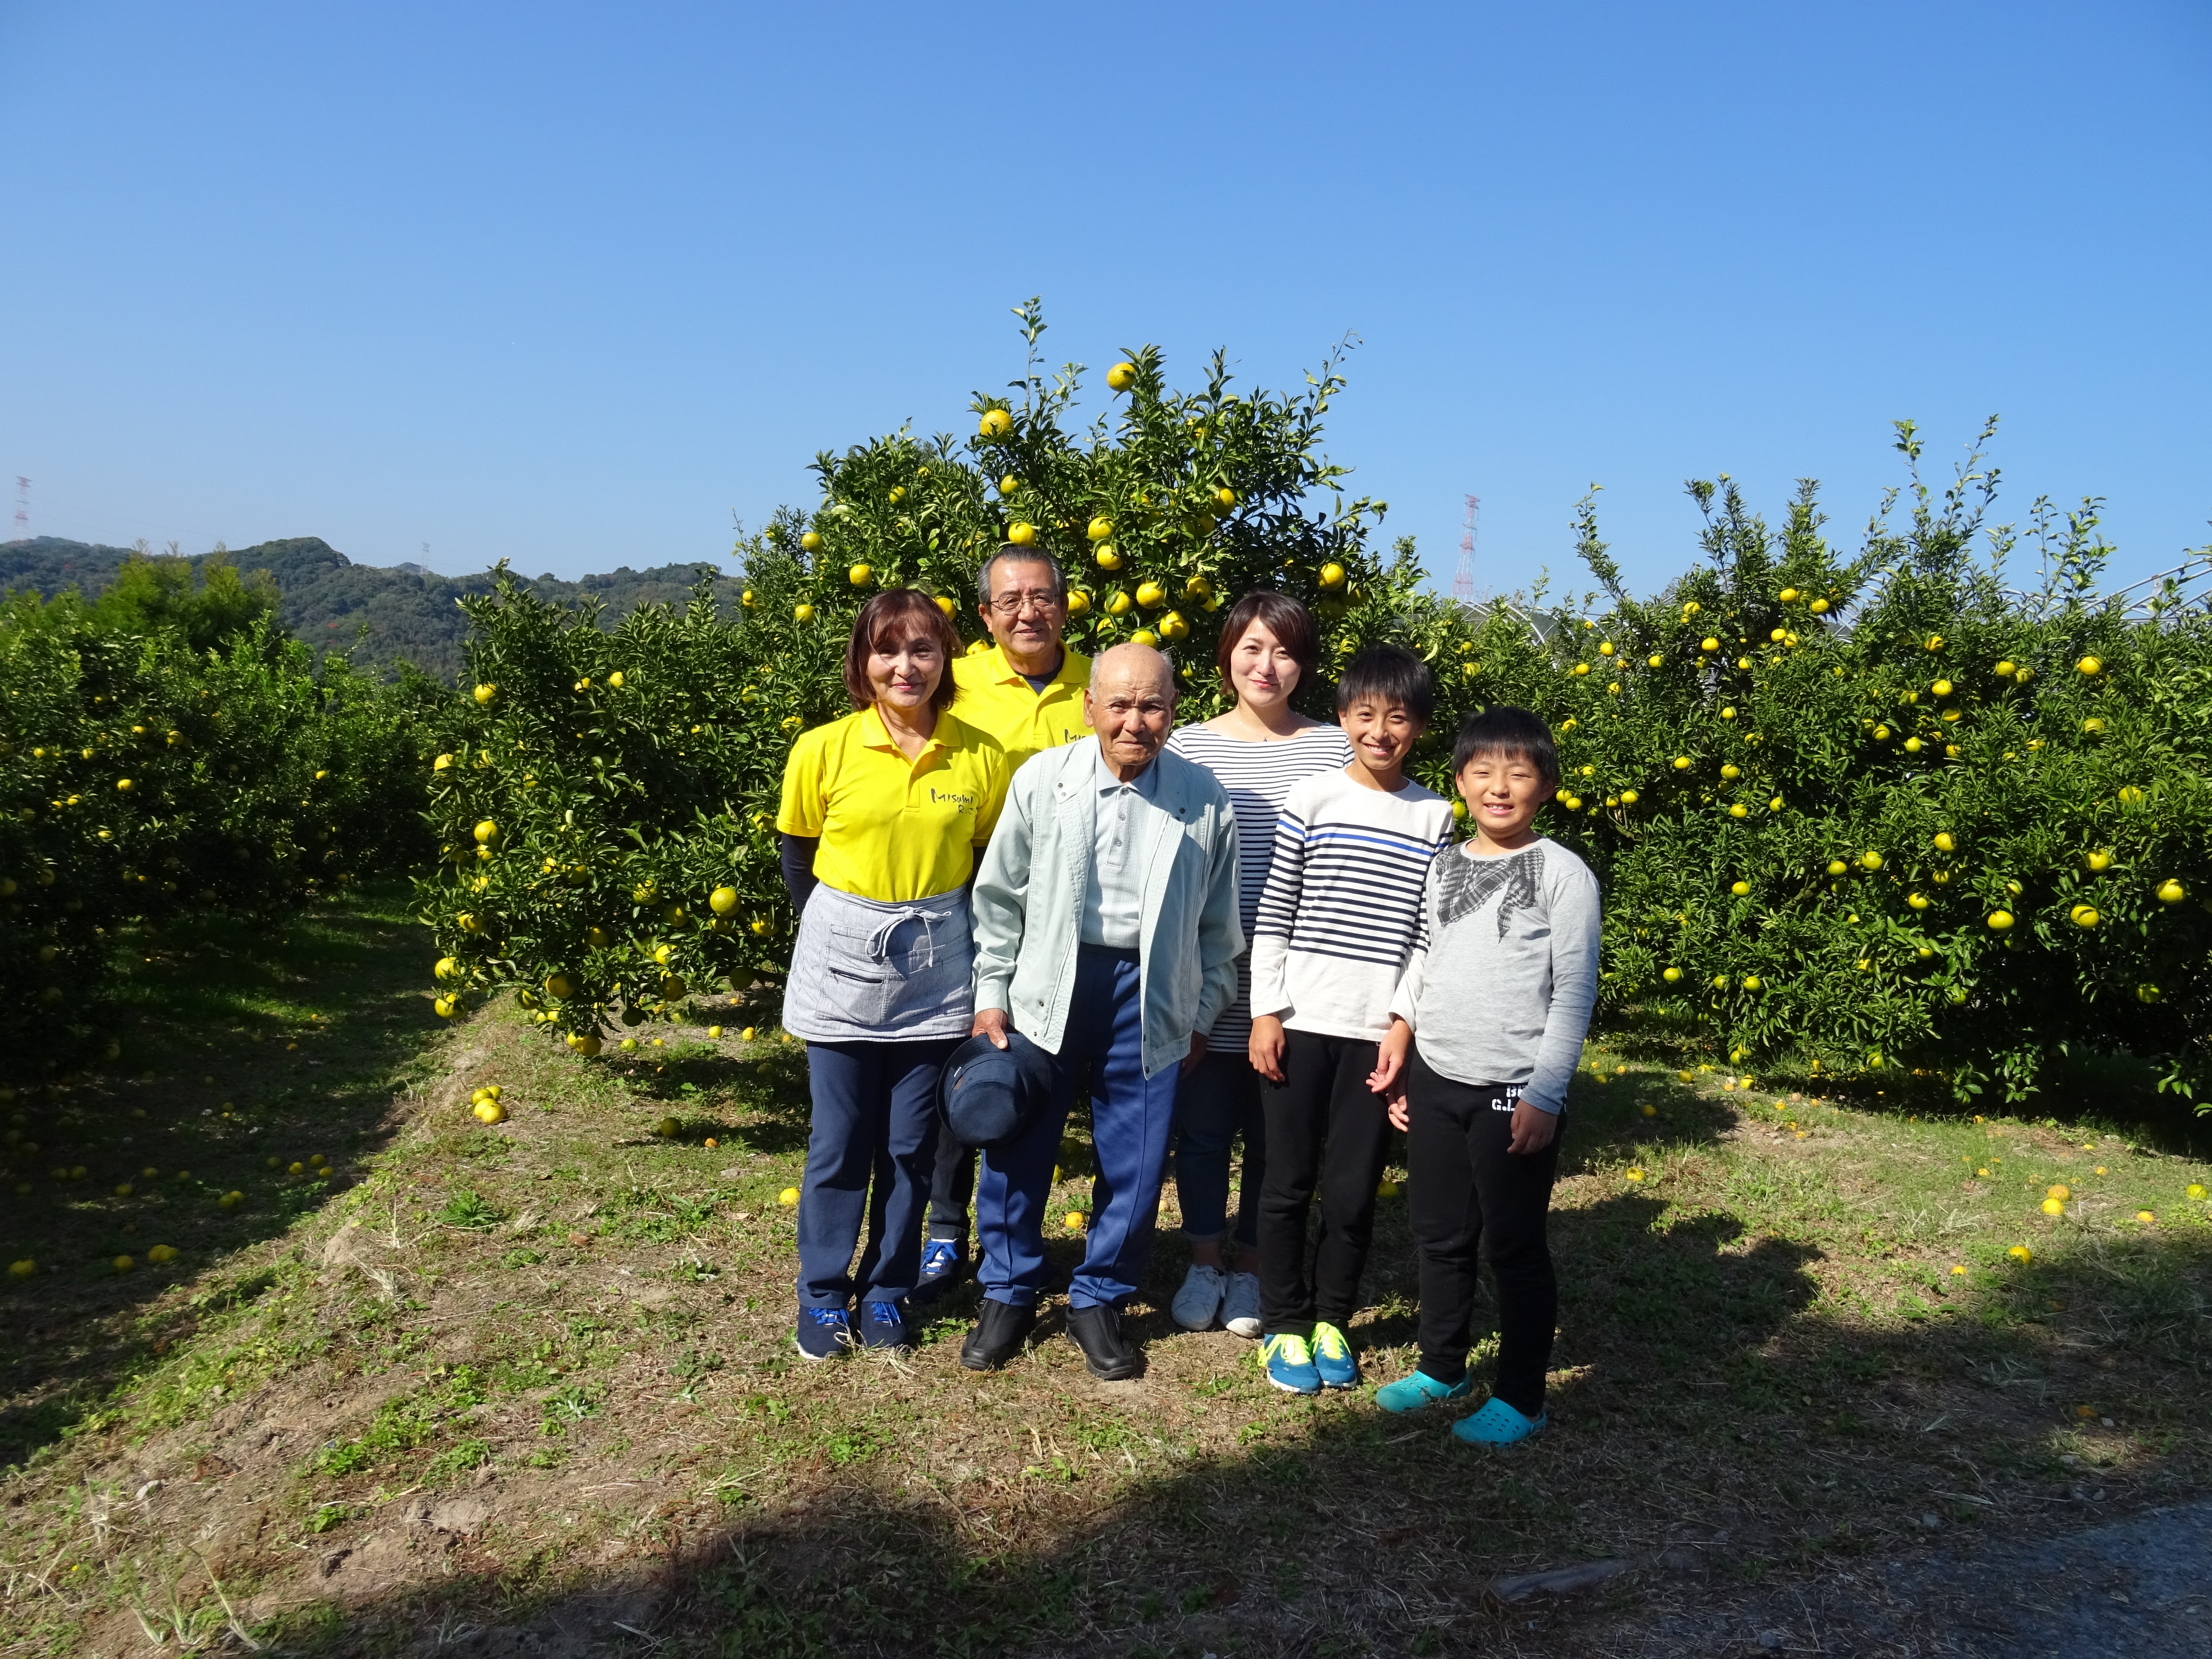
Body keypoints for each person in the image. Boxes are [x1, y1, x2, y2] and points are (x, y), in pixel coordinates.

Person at [960, 643, 1243, 1380]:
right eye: (1119, 704)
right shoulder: (1043, 781)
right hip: (1048, 984)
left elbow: (1220, 930)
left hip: (1151, 993)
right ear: (1089, 708)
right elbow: (999, 900)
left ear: (1174, 711)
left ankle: (1099, 1298)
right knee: (1021, 1142)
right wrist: (992, 995)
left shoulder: (1203, 798)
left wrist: (1201, 1012)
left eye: (1152, 705)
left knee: (1139, 1156)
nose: (1135, 722)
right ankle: (1010, 1289)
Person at [774, 588, 1010, 1359]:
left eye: (923, 650)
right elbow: (798, 857)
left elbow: (985, 867)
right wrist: (842, 930)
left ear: (947, 659)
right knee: (840, 1139)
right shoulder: (823, 748)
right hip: (842, 963)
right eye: (888, 650)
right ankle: (821, 1295)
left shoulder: (980, 755)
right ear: (863, 661)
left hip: (936, 970)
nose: (905, 666)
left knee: (911, 1145)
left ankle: (886, 1290)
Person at [1370, 704, 1600, 1445]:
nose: (1499, 787)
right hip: (1439, 1077)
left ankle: (1525, 1396)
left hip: (1514, 1089)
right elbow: (1424, 960)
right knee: (1439, 1233)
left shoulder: (1564, 874)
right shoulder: (1445, 867)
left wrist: (1545, 1094)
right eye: (1483, 771)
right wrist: (1403, 1040)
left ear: (1546, 786)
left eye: (1519, 773)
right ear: (1461, 780)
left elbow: (1574, 991)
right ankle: (1443, 1366)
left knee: (1514, 1245)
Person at [1247, 644, 1452, 1395]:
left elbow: (1429, 937)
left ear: (1420, 728)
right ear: (1343, 718)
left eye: (1398, 718)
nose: (1380, 731)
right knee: (1286, 1182)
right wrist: (1267, 1012)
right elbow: (1276, 909)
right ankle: (1284, 1324)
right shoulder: (1312, 798)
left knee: (1354, 1188)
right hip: (1301, 1021)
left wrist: (1402, 1025)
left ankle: (1333, 1316)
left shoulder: (1434, 814)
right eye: (1365, 715)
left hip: (1373, 1033)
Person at [1162, 593, 1352, 1339]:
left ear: (1303, 663)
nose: (1264, 665)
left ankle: (1253, 1266)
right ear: (1227, 656)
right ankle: (1204, 1258)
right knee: (1204, 1132)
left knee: (1279, 1140)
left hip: (1299, 981)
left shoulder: (1335, 747)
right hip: (1208, 975)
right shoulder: (1189, 747)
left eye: (1282, 650)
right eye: (1250, 648)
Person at [913, 545, 1095, 1302]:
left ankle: (1012, 1239)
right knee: (974, 1057)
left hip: (1078, 908)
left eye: (1043, 596)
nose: (1029, 611)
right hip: (974, 896)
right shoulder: (957, 686)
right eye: (1010, 600)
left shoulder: (1101, 682)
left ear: (1065, 602)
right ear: (984, 616)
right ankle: (946, 1231)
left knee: (1049, 1070)